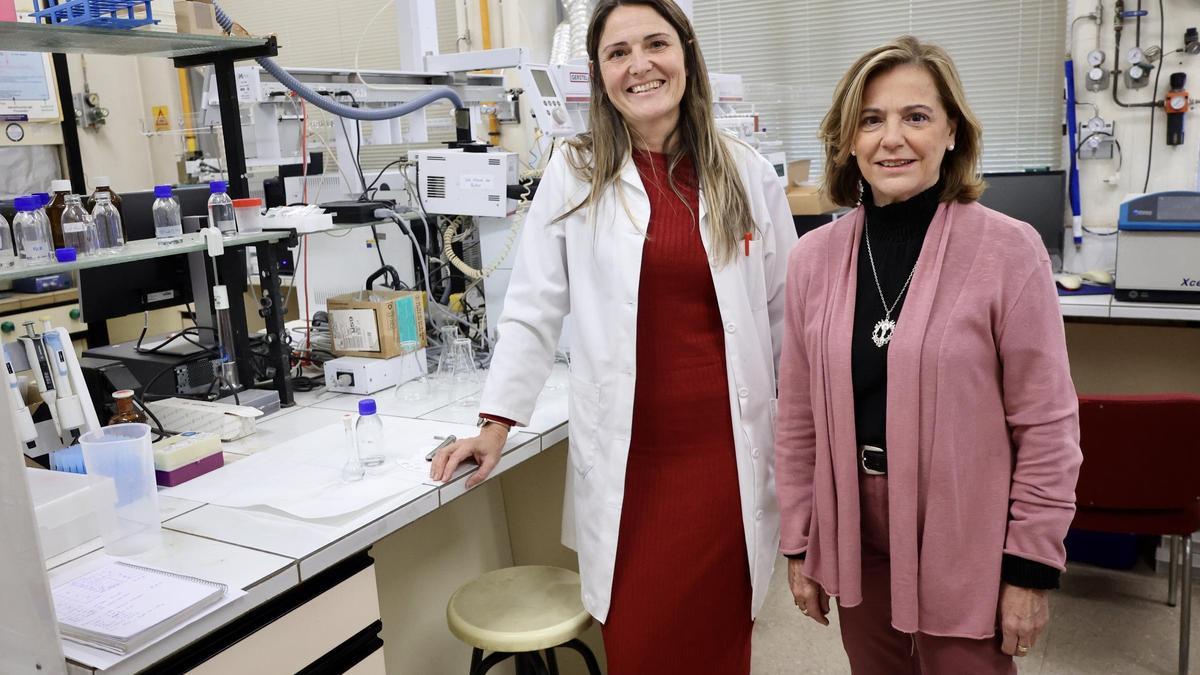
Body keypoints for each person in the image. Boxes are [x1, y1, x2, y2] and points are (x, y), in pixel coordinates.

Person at [429, 0, 796, 670]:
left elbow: (783, 322)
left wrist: (801, 455)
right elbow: (534, 308)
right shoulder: (576, 173)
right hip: (633, 472)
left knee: (719, 651)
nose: (639, 66)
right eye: (617, 53)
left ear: (686, 52)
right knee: (640, 645)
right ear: (599, 73)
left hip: (726, 464)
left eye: (655, 44)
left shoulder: (746, 171)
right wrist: (495, 422)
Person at [774, 36, 1082, 674]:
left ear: (951, 135)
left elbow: (1047, 427)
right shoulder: (813, 260)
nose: (892, 139)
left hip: (965, 533)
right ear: (848, 140)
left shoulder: (1009, 252)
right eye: (871, 119)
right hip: (857, 531)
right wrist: (800, 544)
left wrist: (1030, 568)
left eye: (916, 117)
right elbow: (798, 420)